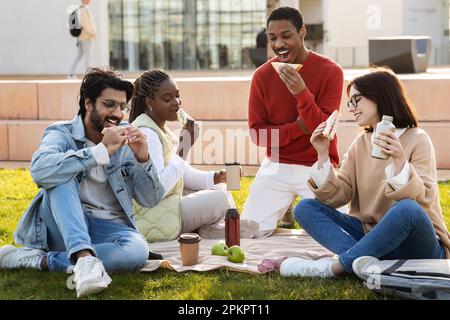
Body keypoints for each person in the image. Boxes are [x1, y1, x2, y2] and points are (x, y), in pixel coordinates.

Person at [0, 68, 164, 298]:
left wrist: (143, 159)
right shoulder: (62, 134)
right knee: (60, 173)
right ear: (88, 104)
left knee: (137, 251)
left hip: (107, 228)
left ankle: (44, 260)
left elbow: (151, 198)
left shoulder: (126, 139)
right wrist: (99, 151)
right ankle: (85, 260)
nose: (117, 113)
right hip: (63, 223)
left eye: (122, 106)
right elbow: (40, 170)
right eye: (109, 104)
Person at [280, 67, 450, 278]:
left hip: (418, 244)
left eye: (356, 99)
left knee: (407, 209)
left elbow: (422, 200)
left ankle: (338, 267)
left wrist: (399, 161)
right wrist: (322, 154)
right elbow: (338, 195)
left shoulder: (418, 139)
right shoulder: (360, 143)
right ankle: (364, 262)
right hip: (373, 238)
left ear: (380, 96)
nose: (351, 107)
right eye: (349, 102)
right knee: (305, 208)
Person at [241, 6, 345, 237]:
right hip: (276, 164)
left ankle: (291, 208)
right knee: (249, 233)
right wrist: (298, 128)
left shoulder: (331, 71)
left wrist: (301, 92)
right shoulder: (262, 76)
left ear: (302, 32)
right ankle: (284, 206)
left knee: (339, 235)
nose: (279, 44)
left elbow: (323, 131)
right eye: (273, 38)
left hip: (317, 164)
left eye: (286, 36)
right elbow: (257, 134)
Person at [128, 69, 234, 242]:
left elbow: (182, 172)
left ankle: (211, 229)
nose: (176, 103)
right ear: (150, 102)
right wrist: (184, 147)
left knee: (219, 188)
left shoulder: (161, 130)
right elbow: (157, 191)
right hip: (151, 213)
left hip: (165, 206)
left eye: (177, 96)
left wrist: (216, 177)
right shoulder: (147, 133)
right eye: (167, 98)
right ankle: (212, 230)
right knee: (219, 199)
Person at [68, 0, 97, 78]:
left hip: (81, 37)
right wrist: (93, 33)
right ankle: (89, 76)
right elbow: (85, 24)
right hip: (86, 37)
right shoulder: (83, 9)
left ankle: (71, 73)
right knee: (88, 56)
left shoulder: (81, 9)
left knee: (79, 55)